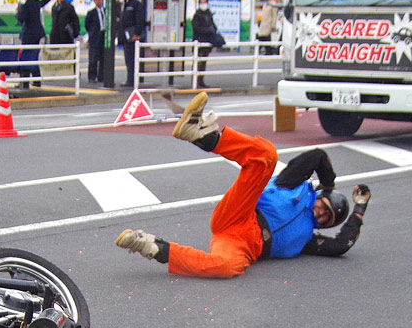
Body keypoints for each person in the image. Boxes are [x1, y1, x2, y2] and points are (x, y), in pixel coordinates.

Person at [115, 92, 371, 279]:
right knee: (267, 157)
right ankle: (204, 136)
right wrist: (328, 186)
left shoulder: (307, 240)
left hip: (243, 245)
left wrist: (359, 209)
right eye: (323, 206)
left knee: (227, 267)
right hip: (242, 211)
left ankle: (152, 247)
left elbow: (341, 246)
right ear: (319, 197)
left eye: (326, 218)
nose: (321, 213)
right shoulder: (293, 186)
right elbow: (316, 156)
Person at [16, 0, 46, 85]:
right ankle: (36, 81)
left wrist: (17, 12)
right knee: (34, 57)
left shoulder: (25, 5)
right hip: (37, 34)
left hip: (28, 35)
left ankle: (24, 82)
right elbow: (43, 2)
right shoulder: (36, 3)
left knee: (26, 57)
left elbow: (21, 18)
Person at [118, 0, 144, 87]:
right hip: (125, 36)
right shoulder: (125, 3)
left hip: (133, 36)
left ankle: (132, 80)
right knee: (128, 59)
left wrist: (137, 33)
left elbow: (140, 20)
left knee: (132, 59)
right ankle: (130, 79)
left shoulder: (136, 4)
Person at [191, 0, 219, 88]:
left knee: (203, 62)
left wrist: (212, 29)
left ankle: (201, 80)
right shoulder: (197, 15)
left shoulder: (209, 14)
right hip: (199, 41)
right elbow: (196, 27)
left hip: (207, 41)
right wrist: (208, 30)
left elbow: (213, 26)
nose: (204, 4)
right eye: (202, 2)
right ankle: (195, 81)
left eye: (205, 2)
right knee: (197, 62)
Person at [85, 0, 105, 84]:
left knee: (103, 58)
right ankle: (92, 77)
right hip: (94, 37)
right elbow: (87, 25)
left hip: (103, 36)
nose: (98, 1)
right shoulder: (91, 13)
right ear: (94, 1)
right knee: (93, 58)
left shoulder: (106, 11)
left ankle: (101, 76)